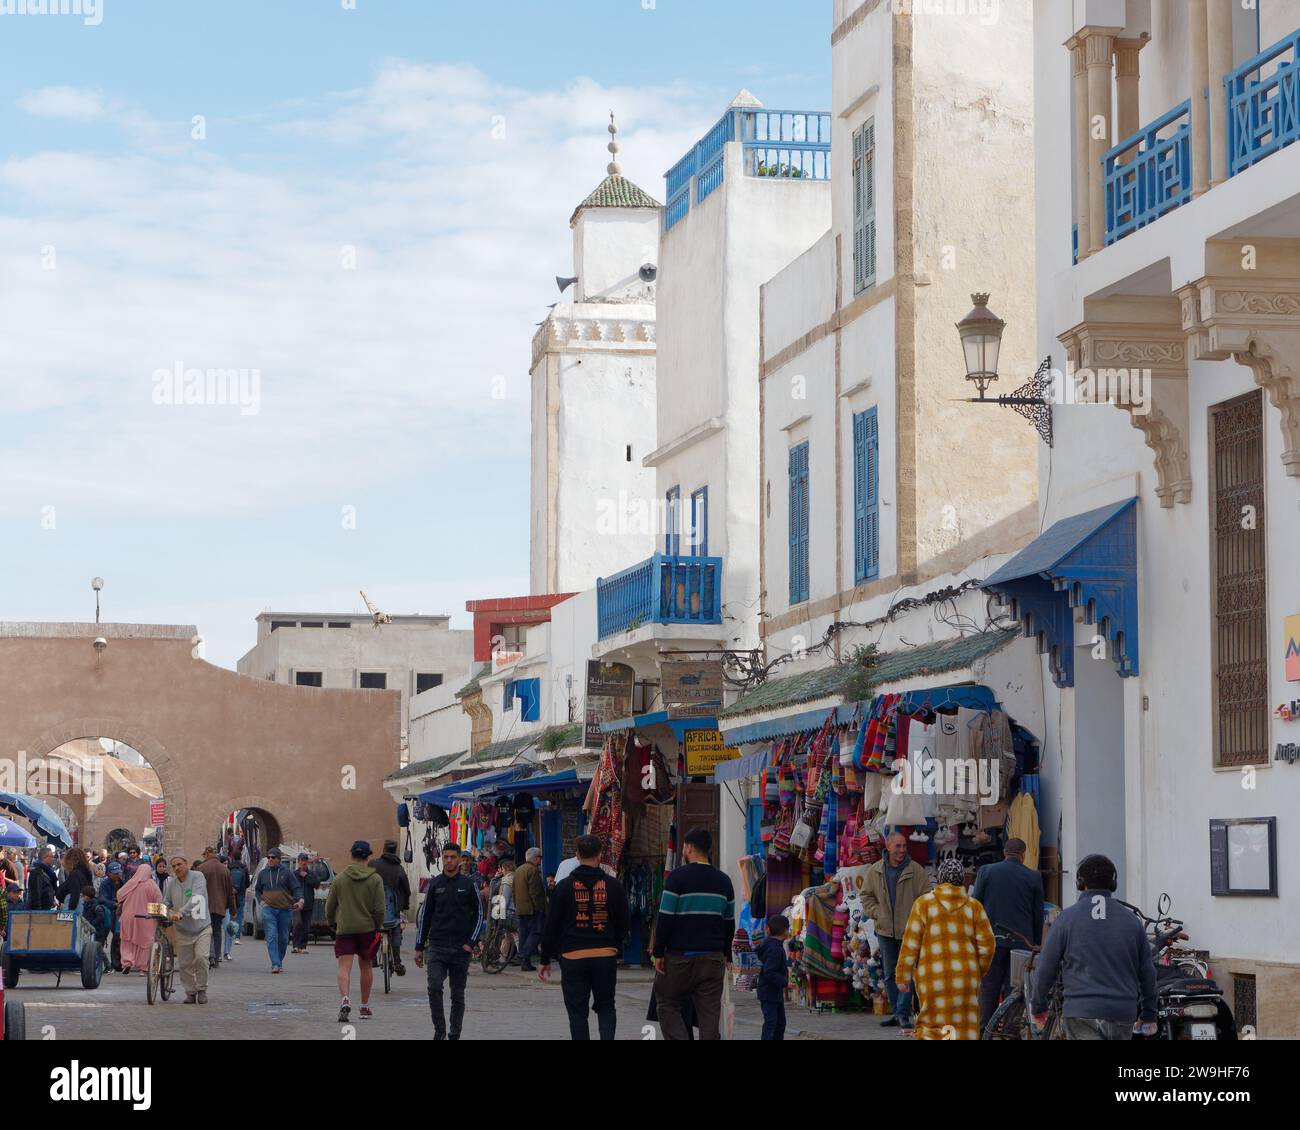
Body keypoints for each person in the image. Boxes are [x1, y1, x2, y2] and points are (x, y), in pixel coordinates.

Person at [1030, 853, 1158, 1040]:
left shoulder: (1066, 919)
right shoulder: (1132, 921)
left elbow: (1046, 967)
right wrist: (1149, 1012)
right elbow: (1147, 972)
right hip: (1122, 1012)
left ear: (1081, 883)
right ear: (1113, 884)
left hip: (1081, 1012)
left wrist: (1038, 1006)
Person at [537, 833, 629, 1040]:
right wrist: (614, 944)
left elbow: (551, 926)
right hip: (605, 955)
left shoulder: (562, 888)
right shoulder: (614, 886)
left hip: (573, 957)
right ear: (599, 855)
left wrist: (545, 958)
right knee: (606, 1007)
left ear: (577, 855)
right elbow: (624, 922)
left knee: (577, 1012)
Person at [894, 857, 996, 1040]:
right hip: (966, 977)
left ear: (940, 878)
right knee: (965, 1026)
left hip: (932, 977)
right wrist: (978, 970)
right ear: (962, 880)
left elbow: (910, 943)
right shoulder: (974, 907)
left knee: (932, 1025)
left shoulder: (923, 904)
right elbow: (988, 945)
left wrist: (903, 974)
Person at [651, 827, 735, 1041]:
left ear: (688, 848)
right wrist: (727, 953)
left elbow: (666, 918)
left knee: (667, 1003)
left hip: (680, 958)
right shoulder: (724, 881)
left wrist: (658, 952)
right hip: (713, 958)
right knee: (709, 1013)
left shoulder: (677, 878)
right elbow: (729, 923)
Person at [972, 837, 1045, 1030]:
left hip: (992, 941)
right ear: (1023, 855)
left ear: (1005, 852)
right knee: (1016, 989)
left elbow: (975, 906)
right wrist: (1035, 943)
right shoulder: (1033, 876)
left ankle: (984, 1029)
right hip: (1021, 944)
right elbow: (1038, 914)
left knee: (989, 987)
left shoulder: (986, 871)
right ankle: (1010, 1031)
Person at [862, 830, 932, 1028]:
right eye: (898, 846)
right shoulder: (875, 871)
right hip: (885, 930)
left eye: (904, 846)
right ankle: (897, 1011)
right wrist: (877, 912)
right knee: (890, 973)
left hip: (909, 930)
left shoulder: (915, 870)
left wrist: (917, 917)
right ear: (888, 847)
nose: (902, 850)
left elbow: (927, 896)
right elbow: (866, 896)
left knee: (907, 972)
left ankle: (902, 1013)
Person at [414, 843, 484, 1040]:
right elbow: (424, 917)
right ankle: (439, 1030)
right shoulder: (434, 884)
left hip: (461, 949)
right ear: (442, 859)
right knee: (434, 987)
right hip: (437, 947)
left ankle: (454, 1034)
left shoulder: (469, 885)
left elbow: (479, 914)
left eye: (453, 857)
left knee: (457, 995)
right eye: (446, 857)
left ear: (460, 859)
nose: (449, 860)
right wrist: (419, 947)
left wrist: (470, 942)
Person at [325, 840, 386, 1022]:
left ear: (351, 854)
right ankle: (365, 1006)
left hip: (345, 927)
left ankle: (345, 999)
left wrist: (333, 923)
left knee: (344, 967)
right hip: (367, 928)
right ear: (368, 856)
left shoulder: (340, 879)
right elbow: (380, 909)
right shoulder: (375, 879)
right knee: (366, 966)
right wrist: (377, 925)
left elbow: (330, 906)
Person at [163, 855, 212, 1004]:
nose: (177, 868)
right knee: (184, 964)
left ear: (186, 863)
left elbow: (197, 898)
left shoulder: (198, 877)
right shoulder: (171, 883)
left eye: (179, 864)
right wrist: (164, 911)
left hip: (201, 927)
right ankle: (190, 992)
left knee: (201, 958)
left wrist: (180, 913)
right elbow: (166, 901)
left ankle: (202, 989)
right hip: (182, 930)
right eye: (174, 866)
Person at [254, 848, 304, 973]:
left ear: (279, 859)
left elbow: (296, 888)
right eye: (269, 857)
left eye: (273, 857)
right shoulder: (263, 873)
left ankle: (279, 961)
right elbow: (257, 889)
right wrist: (261, 901)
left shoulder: (287, 873)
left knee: (283, 938)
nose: (270, 859)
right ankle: (275, 964)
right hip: (268, 909)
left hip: (285, 910)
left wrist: (301, 900)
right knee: (271, 936)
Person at [368, 839, 411, 975]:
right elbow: (406, 889)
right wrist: (405, 905)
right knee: (396, 928)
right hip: (393, 908)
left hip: (374, 908)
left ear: (384, 850)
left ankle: (372, 958)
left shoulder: (373, 864)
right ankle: (397, 962)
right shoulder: (399, 868)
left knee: (371, 927)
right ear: (395, 851)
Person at [115, 861, 163, 975]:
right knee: (145, 943)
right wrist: (160, 918)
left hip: (128, 917)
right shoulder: (152, 885)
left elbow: (119, 895)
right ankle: (144, 968)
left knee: (127, 941)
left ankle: (127, 962)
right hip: (145, 918)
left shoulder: (131, 883)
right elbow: (158, 901)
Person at [197, 847, 237, 969]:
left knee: (205, 931)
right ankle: (216, 957)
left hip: (205, 905)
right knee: (217, 931)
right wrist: (233, 910)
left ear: (206, 855)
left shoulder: (201, 868)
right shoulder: (224, 870)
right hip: (220, 905)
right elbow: (230, 892)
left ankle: (209, 956)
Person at [754, 914, 790, 1040]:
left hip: (771, 992)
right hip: (770, 992)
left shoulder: (770, 945)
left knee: (779, 1023)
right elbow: (769, 972)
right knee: (772, 1023)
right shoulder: (775, 949)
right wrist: (785, 983)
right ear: (786, 932)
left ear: (768, 929)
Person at [513, 846, 547, 972]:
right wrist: (541, 908)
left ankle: (525, 964)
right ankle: (522, 955)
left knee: (524, 935)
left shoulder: (519, 870)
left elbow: (514, 890)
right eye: (540, 857)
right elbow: (536, 892)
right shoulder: (532, 870)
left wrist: (517, 905)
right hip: (532, 908)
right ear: (535, 858)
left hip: (521, 908)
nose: (541, 860)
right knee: (536, 932)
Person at [97, 861, 126, 971]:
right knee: (102, 937)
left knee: (118, 936)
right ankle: (101, 963)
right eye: (115, 873)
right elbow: (102, 899)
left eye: (118, 873)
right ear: (109, 873)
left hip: (119, 913)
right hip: (107, 913)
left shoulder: (122, 882)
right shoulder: (105, 883)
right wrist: (114, 904)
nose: (117, 875)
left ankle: (118, 962)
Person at [291, 853, 321, 954]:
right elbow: (290, 887)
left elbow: (317, 884)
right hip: (296, 904)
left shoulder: (311, 874)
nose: (304, 863)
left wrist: (307, 876)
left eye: (305, 861)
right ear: (298, 862)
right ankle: (295, 945)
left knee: (306, 926)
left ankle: (303, 947)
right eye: (302, 861)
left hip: (308, 904)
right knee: (298, 923)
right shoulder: (294, 874)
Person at [227, 853, 251, 951]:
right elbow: (247, 883)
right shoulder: (244, 868)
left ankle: (229, 935)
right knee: (239, 914)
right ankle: (237, 937)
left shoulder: (229, 867)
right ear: (241, 858)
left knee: (230, 914)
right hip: (240, 894)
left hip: (230, 894)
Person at [26, 845, 59, 911]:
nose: (53, 859)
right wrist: (38, 911)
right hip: (40, 910)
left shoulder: (48, 871)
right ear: (44, 857)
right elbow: (36, 893)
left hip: (47, 908)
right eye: (51, 857)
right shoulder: (37, 872)